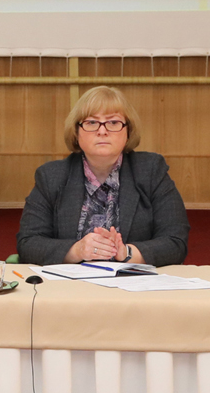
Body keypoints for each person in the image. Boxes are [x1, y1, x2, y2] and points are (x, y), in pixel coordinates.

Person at [16, 85, 189, 267]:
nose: (102, 131)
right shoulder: (51, 176)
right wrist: (77, 250)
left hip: (132, 280)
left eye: (113, 122)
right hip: (70, 282)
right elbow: (28, 243)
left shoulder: (151, 170)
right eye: (91, 122)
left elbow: (175, 242)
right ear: (76, 132)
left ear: (128, 131)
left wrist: (127, 253)